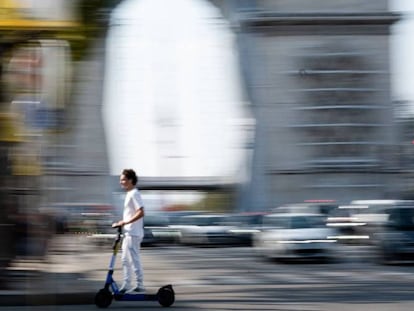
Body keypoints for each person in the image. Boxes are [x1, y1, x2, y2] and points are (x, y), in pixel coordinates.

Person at [113, 168, 145, 293]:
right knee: (125, 260)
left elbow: (141, 212)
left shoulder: (134, 193)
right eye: (120, 180)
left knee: (134, 259)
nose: (121, 182)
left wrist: (125, 222)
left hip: (134, 233)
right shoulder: (129, 194)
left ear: (130, 180)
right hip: (128, 233)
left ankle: (140, 284)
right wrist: (121, 223)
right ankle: (126, 284)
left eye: (123, 180)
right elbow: (130, 214)